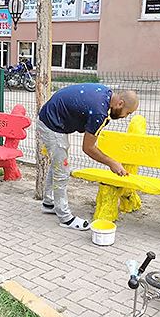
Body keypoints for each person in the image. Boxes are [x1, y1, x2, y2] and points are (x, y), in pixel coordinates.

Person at [36, 84, 139, 231]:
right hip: (51, 124)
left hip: (51, 117)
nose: (125, 117)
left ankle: (49, 203)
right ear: (120, 103)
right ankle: (65, 218)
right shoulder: (99, 113)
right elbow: (88, 148)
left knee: (58, 163)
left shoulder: (106, 93)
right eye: (127, 113)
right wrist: (112, 163)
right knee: (62, 171)